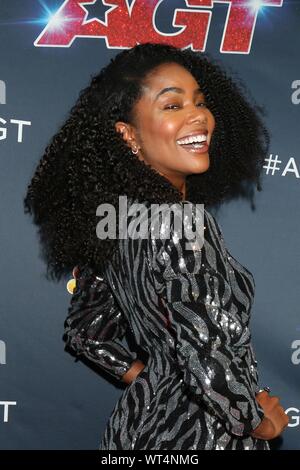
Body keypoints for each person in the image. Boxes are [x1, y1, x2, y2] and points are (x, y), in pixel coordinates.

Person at [24, 43, 289, 450]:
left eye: (200, 101)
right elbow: (202, 348)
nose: (198, 114)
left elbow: (87, 334)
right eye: (172, 106)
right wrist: (253, 419)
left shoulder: (117, 223)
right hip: (201, 437)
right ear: (127, 134)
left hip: (138, 432)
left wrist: (159, 378)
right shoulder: (182, 224)